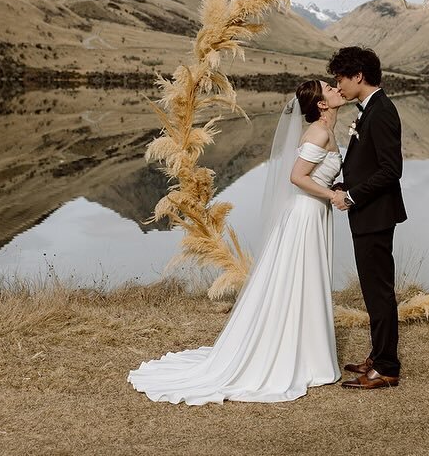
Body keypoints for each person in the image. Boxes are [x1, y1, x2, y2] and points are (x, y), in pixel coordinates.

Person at [127, 79, 347, 405]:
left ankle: (307, 352)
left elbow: (315, 173)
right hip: (305, 214)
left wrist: (334, 188)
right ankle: (302, 357)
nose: (336, 88)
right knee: (299, 278)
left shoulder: (324, 130)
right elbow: (297, 177)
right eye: (329, 88)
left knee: (304, 280)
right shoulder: (319, 132)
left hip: (312, 213)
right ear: (321, 104)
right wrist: (332, 195)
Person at [329, 46, 407, 389]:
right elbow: (371, 164)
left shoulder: (382, 111)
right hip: (368, 213)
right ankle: (377, 356)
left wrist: (353, 195)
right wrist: (347, 182)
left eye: (341, 78)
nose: (338, 85)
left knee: (379, 292)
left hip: (375, 214)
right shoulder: (369, 109)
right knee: (372, 290)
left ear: (358, 76)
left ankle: (388, 367)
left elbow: (392, 170)